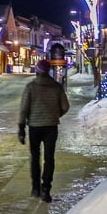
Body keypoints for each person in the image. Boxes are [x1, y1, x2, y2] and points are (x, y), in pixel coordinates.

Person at [18, 59, 70, 203]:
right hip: (51, 127)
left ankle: (36, 188)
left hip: (34, 127)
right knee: (49, 158)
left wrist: (21, 128)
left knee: (35, 157)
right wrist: (55, 115)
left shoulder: (30, 87)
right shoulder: (57, 87)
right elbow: (65, 106)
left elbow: (24, 109)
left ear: (37, 70)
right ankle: (46, 189)